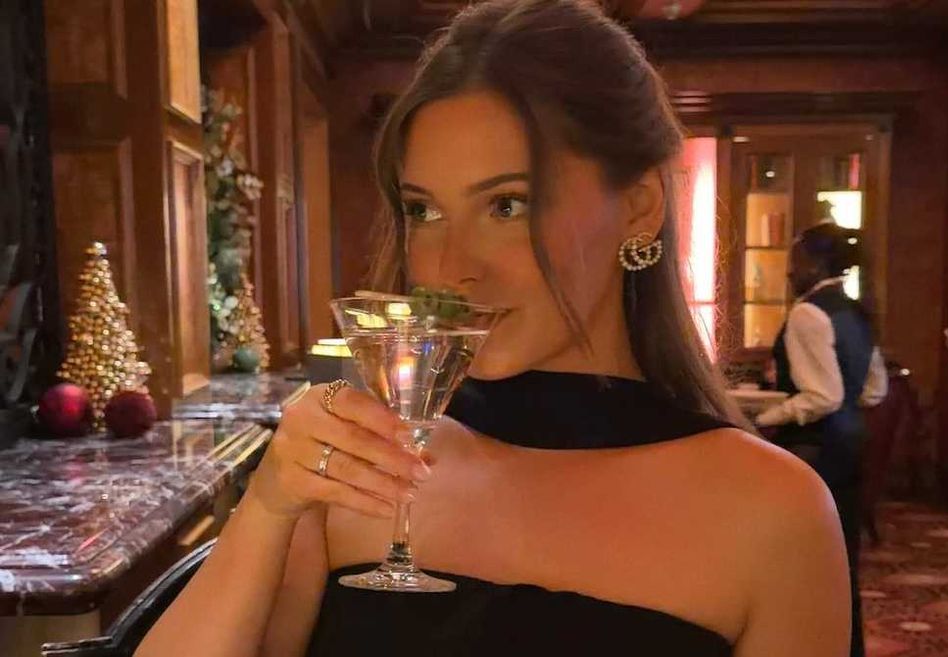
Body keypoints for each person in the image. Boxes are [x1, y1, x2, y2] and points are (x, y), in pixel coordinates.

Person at [136, 2, 850, 655]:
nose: (449, 270)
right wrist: (266, 507)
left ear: (638, 206)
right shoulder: (360, 470)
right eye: (425, 210)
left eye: (507, 205)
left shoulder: (774, 515)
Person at [756, 221, 888, 657]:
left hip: (815, 451)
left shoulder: (808, 312)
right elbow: (873, 390)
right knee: (839, 561)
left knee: (803, 565)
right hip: (850, 446)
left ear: (814, 262)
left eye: (795, 261)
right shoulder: (854, 311)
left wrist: (765, 419)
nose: (790, 272)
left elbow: (822, 396)